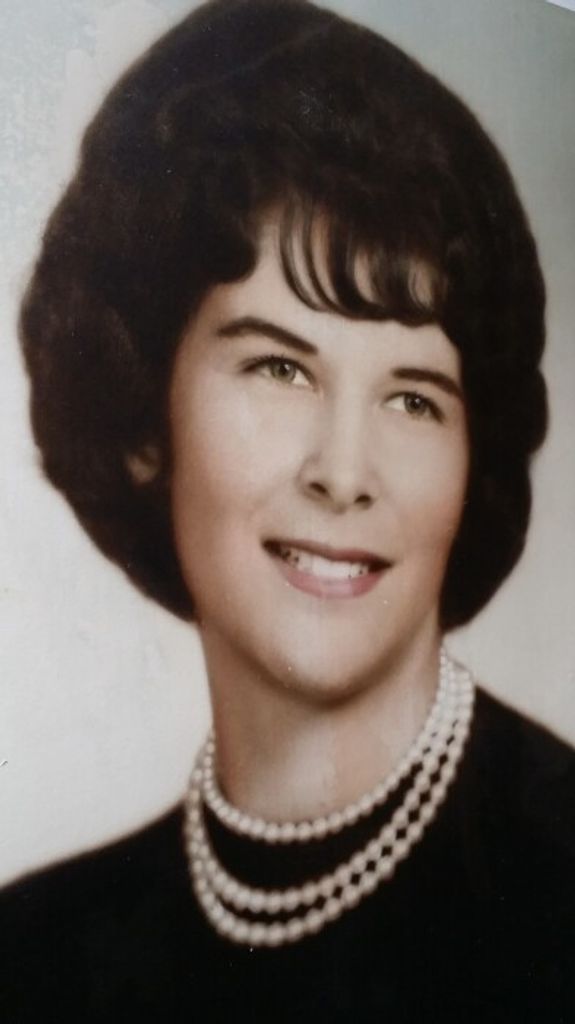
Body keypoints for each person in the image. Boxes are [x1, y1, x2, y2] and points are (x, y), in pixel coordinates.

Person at [2, 0, 574, 1020]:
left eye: (413, 398)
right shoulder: (35, 954)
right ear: (142, 420)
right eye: (279, 367)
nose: (343, 473)